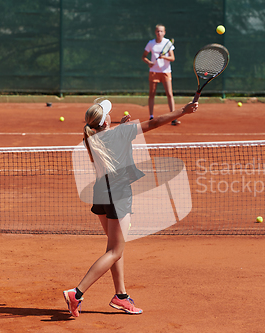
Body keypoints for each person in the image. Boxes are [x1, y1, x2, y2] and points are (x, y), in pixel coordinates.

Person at [63, 98, 199, 317]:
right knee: (116, 250)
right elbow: (155, 123)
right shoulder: (120, 133)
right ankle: (76, 293)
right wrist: (183, 111)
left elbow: (112, 142)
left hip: (101, 193)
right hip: (118, 195)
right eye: (108, 113)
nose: (110, 114)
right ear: (105, 122)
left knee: (116, 247)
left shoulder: (91, 137)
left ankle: (121, 296)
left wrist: (122, 129)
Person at [142, 24, 179, 125]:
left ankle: (173, 117)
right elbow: (144, 56)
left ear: (164, 32)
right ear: (155, 32)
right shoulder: (151, 43)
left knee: (169, 94)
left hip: (166, 71)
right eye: (158, 31)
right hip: (154, 71)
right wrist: (149, 62)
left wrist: (164, 57)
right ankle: (151, 117)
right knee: (152, 94)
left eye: (161, 31)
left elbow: (172, 58)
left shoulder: (167, 43)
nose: (159, 33)